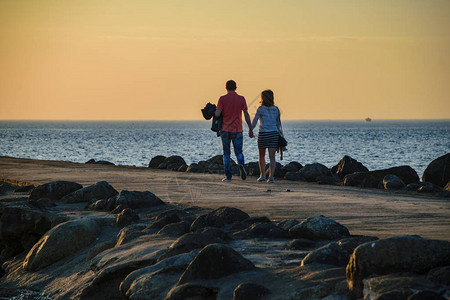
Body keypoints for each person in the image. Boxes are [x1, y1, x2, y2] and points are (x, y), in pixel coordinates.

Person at [215, 80, 254, 182]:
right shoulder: (241, 99)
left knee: (226, 153)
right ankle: (241, 165)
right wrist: (250, 128)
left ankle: (228, 176)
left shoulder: (222, 99)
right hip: (237, 130)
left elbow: (218, 114)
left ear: (226, 88)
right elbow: (246, 114)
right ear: (236, 88)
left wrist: (214, 111)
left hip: (225, 129)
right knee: (239, 152)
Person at [250, 90, 281, 183]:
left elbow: (255, 121)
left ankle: (262, 175)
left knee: (261, 156)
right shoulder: (276, 109)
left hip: (263, 133)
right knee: (272, 157)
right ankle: (271, 177)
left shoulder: (260, 109)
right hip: (273, 134)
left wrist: (250, 130)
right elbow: (278, 124)